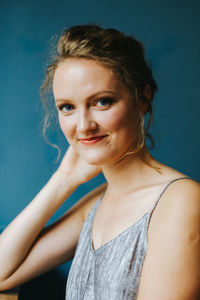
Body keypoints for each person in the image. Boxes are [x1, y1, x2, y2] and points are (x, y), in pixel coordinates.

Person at [0, 24, 199, 300]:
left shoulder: (181, 201)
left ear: (142, 99)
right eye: (67, 107)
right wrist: (64, 180)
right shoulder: (98, 202)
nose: (83, 126)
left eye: (102, 102)